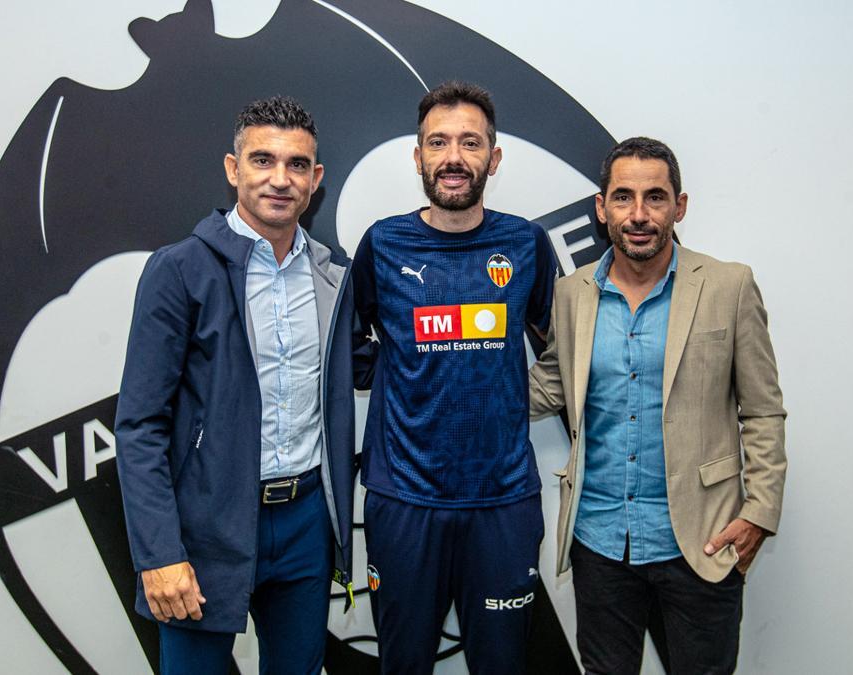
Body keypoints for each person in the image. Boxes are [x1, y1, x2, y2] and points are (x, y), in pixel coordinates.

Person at [115, 96, 365, 675]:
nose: (280, 179)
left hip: (305, 522)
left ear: (316, 179)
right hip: (205, 526)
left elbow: (370, 365)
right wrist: (158, 553)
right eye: (263, 160)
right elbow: (139, 426)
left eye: (297, 165)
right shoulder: (178, 270)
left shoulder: (333, 275)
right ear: (233, 169)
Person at [529, 137, 787, 674]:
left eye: (655, 197)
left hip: (701, 542)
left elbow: (762, 411)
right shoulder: (572, 293)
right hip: (599, 542)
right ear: (601, 210)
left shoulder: (728, 286)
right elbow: (552, 383)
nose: (639, 214)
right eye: (623, 197)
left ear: (680, 206)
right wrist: (456, 383)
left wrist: (759, 512)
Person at [351, 81, 557, 674]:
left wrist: (517, 397)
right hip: (404, 499)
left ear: (493, 159)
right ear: (418, 158)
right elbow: (349, 343)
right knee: (405, 664)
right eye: (437, 143)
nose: (453, 157)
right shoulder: (384, 243)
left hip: (504, 500)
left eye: (470, 143)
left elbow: (559, 347)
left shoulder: (525, 243)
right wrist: (395, 375)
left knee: (502, 665)